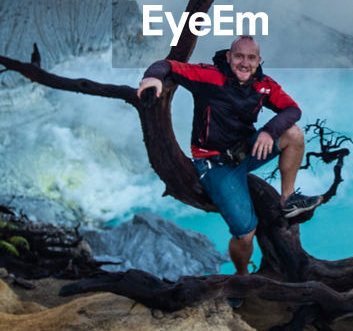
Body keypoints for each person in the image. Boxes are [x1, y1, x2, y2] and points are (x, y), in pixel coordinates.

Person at [136, 35, 321, 277]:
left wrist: (268, 131)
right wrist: (152, 78)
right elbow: (168, 65)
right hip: (214, 162)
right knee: (245, 232)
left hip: (245, 150)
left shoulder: (264, 85)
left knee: (293, 134)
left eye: (251, 58)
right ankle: (241, 274)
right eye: (239, 57)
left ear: (258, 61)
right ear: (229, 57)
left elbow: (293, 110)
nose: (245, 63)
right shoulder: (209, 76)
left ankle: (288, 200)